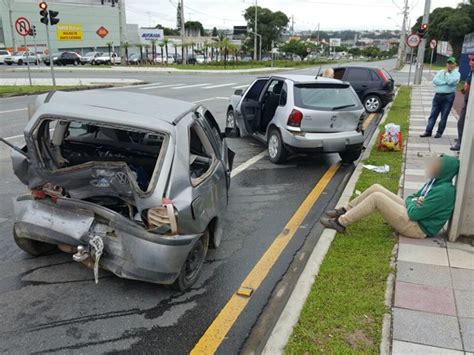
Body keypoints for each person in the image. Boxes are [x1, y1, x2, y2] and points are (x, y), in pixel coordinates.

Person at [320, 155, 460, 239]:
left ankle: (340, 223)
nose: (432, 165)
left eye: (436, 164)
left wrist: (413, 202)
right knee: (376, 187)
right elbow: (412, 197)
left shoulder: (444, 191)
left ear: (444, 170)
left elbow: (414, 213)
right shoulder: (436, 181)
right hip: (413, 215)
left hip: (418, 228)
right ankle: (346, 210)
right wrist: (414, 201)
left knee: (377, 198)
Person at [420, 57, 461, 139]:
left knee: (444, 116)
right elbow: (435, 80)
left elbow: (451, 81)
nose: (449, 65)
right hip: (438, 95)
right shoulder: (441, 71)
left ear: (455, 64)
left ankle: (439, 132)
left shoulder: (457, 74)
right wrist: (444, 82)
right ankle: (428, 131)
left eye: (451, 63)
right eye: (448, 63)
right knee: (433, 114)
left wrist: (447, 75)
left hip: (448, 96)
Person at [451, 59, 473, 151]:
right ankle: (462, 138)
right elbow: (466, 85)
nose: (470, 63)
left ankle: (460, 143)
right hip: (468, 99)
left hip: (470, 102)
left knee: (462, 122)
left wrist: (465, 88)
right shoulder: (471, 71)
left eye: (473, 60)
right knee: (463, 122)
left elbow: (466, 86)